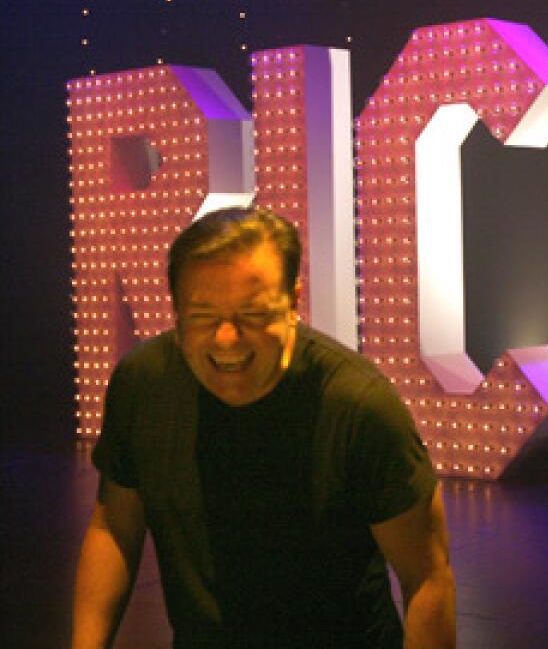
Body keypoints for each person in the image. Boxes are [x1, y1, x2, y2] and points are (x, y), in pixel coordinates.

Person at [72, 207, 455, 647]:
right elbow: (113, 527)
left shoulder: (359, 407)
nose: (227, 339)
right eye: (202, 315)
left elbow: (426, 577)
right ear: (175, 311)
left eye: (253, 314)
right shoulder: (142, 383)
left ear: (293, 302)